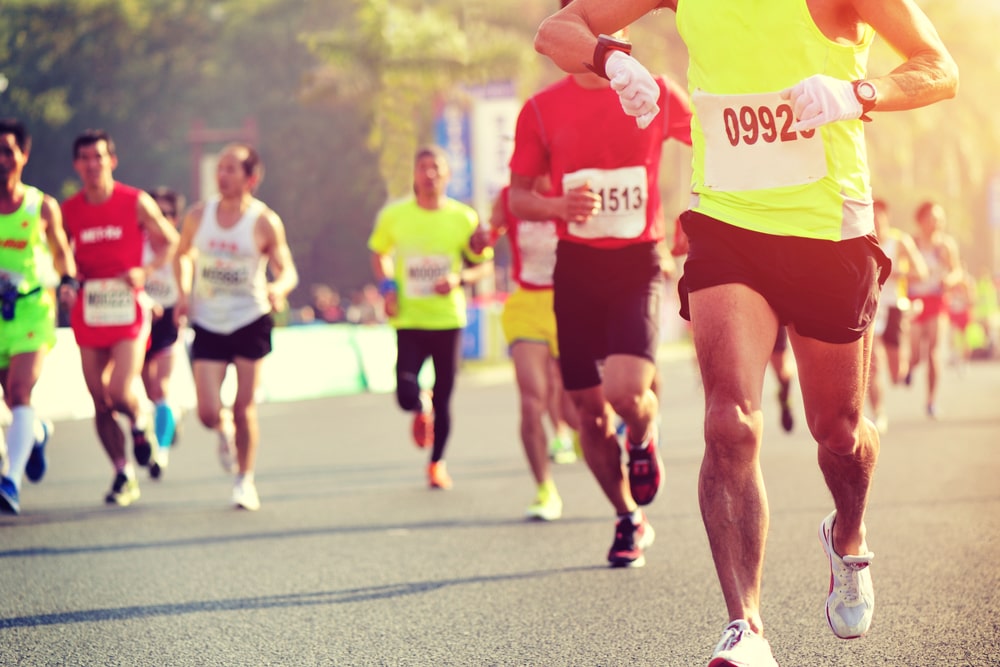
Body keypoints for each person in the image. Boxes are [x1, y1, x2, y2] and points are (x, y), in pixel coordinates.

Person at [535, 1, 957, 664]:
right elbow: (558, 27)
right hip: (728, 224)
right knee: (729, 421)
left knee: (840, 432)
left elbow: (939, 67)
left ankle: (848, 532)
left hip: (829, 230)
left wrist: (857, 92)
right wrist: (612, 59)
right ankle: (746, 626)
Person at [510, 0, 693, 568]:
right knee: (587, 413)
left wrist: (694, 211)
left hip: (638, 263)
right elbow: (517, 197)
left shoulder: (657, 93)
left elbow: (714, 145)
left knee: (624, 393)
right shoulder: (540, 111)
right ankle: (626, 517)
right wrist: (555, 203)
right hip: (577, 268)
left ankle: (641, 435)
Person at [175, 142, 299, 511]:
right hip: (209, 320)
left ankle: (244, 481)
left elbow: (287, 269)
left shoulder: (263, 221)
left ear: (251, 178)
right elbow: (182, 255)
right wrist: (184, 292)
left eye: (232, 169)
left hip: (250, 318)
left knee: (245, 406)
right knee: (208, 412)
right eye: (220, 168)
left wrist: (278, 287)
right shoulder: (199, 216)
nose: (222, 175)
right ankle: (223, 431)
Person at [61, 129, 180, 506]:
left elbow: (171, 242)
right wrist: (66, 282)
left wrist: (145, 272)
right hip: (89, 308)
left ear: (112, 160)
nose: (93, 165)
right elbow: (57, 253)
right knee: (99, 400)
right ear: (77, 165)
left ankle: (140, 424)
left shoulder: (135, 201)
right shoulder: (70, 210)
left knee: (119, 391)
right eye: (86, 158)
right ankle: (122, 472)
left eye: (99, 157)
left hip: (128, 308)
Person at [368, 145, 493, 490]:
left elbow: (482, 265)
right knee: (405, 393)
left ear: (447, 176)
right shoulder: (395, 216)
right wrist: (389, 288)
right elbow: (379, 252)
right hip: (409, 319)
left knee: (445, 396)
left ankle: (437, 463)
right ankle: (418, 406)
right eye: (423, 167)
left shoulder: (462, 217)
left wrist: (458, 279)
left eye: (437, 168)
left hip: (447, 320)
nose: (430, 174)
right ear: (414, 174)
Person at [487, 183, 579, 521]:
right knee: (532, 401)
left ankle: (592, 444)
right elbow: (488, 236)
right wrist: (480, 242)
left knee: (575, 409)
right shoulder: (511, 195)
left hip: (571, 301)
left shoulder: (571, 184)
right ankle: (545, 490)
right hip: (526, 304)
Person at [0, 118, 77, 515]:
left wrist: (68, 282)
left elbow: (62, 251)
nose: (1, 160)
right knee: (10, 400)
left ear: (23, 156)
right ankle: (38, 432)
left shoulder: (41, 205)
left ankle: (10, 482)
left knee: (19, 392)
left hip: (31, 310)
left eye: (8, 151)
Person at [867, 199, 927, 433]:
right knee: (872, 365)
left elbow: (921, 273)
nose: (875, 221)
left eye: (878, 217)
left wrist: (896, 272)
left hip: (893, 307)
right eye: (870, 216)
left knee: (895, 373)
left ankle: (906, 368)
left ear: (886, 218)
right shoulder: (861, 241)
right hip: (869, 308)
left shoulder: (899, 241)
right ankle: (879, 413)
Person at [143, 187, 187, 467]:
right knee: (150, 391)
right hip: (142, 320)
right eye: (157, 213)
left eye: (169, 213)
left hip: (170, 320)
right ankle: (170, 415)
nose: (163, 218)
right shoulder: (138, 243)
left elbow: (187, 284)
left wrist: (183, 304)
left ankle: (160, 452)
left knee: (163, 385)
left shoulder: (181, 247)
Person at [906, 201, 962, 418]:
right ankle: (909, 366)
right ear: (920, 221)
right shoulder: (911, 243)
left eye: (939, 219)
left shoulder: (946, 246)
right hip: (915, 301)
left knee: (933, 351)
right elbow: (899, 268)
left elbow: (957, 271)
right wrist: (912, 275)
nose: (936, 223)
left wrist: (949, 278)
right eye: (931, 218)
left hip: (937, 301)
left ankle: (930, 401)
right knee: (915, 352)